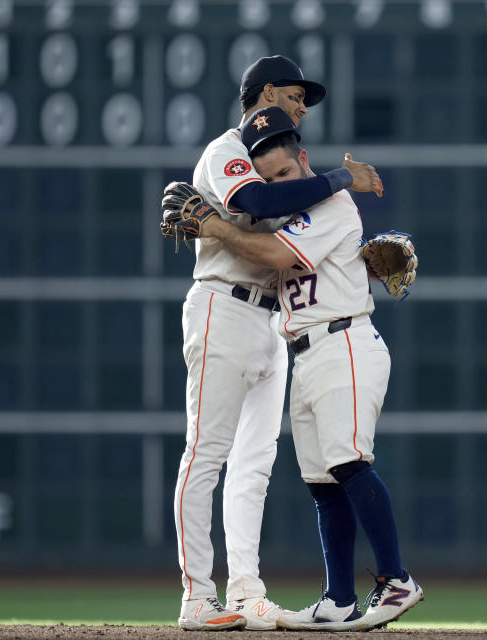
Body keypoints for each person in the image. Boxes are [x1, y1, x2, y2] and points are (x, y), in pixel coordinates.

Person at [169, 55, 383, 631]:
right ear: (264, 93)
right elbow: (256, 205)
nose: (303, 106)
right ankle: (197, 597)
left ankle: (245, 591)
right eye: (294, 96)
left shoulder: (285, 163)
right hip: (223, 304)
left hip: (273, 319)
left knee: (256, 464)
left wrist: (363, 266)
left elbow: (306, 236)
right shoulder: (226, 150)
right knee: (206, 453)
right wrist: (342, 179)